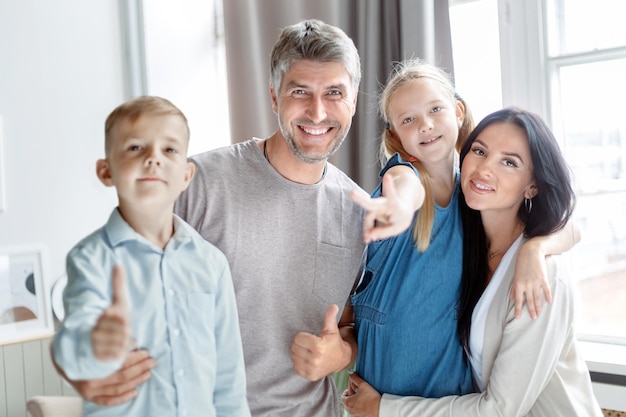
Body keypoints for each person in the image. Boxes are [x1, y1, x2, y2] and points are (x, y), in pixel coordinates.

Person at [52, 20, 417, 417]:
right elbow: (100, 293)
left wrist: (342, 353)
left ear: (353, 100)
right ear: (274, 97)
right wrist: (88, 371)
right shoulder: (197, 183)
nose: (317, 111)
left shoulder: (358, 212)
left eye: (334, 93)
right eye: (300, 92)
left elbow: (353, 324)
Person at [343, 107, 602, 417]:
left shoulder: (542, 278)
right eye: (479, 151)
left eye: (509, 162)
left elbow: (500, 409)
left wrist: (384, 408)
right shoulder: (467, 241)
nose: (484, 169)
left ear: (532, 185)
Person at [52, 96, 250, 417]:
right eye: (135, 148)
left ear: (186, 175)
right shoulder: (90, 259)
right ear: (106, 171)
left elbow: (228, 379)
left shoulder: (211, 264)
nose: (153, 158)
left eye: (169, 149)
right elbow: (72, 349)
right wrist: (95, 344)